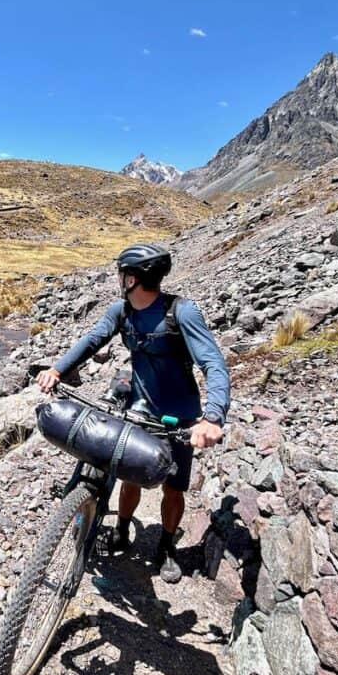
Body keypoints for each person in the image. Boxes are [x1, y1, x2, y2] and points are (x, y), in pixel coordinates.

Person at [36, 242, 231, 584]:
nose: (120, 279)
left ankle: (167, 547)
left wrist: (212, 417)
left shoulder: (181, 312)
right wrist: (57, 369)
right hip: (139, 407)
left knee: (173, 487)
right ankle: (123, 530)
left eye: (123, 274)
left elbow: (213, 363)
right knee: (127, 473)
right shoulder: (121, 311)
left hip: (179, 415)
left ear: (133, 279)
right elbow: (93, 340)